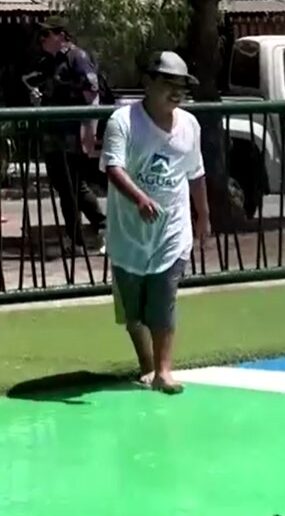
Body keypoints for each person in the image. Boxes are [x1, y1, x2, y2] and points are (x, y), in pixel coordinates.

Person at [99, 51, 209, 395]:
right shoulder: (123, 120)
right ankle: (147, 365)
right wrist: (139, 199)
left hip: (171, 229)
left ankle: (163, 370)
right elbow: (113, 167)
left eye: (182, 86)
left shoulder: (190, 125)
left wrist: (203, 215)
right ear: (148, 83)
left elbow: (196, 173)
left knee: (164, 297)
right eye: (168, 84)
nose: (176, 93)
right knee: (135, 312)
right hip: (129, 231)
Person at [34, 16, 108, 254]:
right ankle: (76, 238)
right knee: (64, 185)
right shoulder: (49, 62)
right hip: (53, 132)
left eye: (47, 34)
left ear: (61, 35)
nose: (42, 39)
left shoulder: (77, 57)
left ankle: (101, 227)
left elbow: (91, 93)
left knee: (73, 184)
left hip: (71, 132)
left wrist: (90, 128)